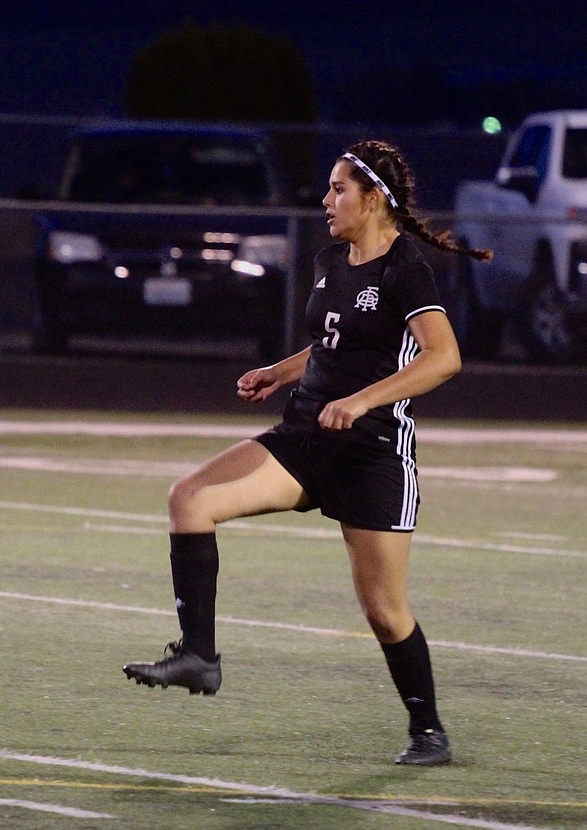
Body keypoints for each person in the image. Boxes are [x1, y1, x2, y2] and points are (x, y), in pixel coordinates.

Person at [122, 140, 492, 766]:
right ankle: (200, 657)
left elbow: (443, 358)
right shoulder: (329, 260)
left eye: (338, 190)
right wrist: (280, 371)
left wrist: (363, 401)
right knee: (189, 498)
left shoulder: (406, 270)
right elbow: (331, 342)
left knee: (383, 611)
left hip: (371, 456)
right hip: (302, 440)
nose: (325, 201)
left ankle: (428, 730)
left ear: (373, 199)